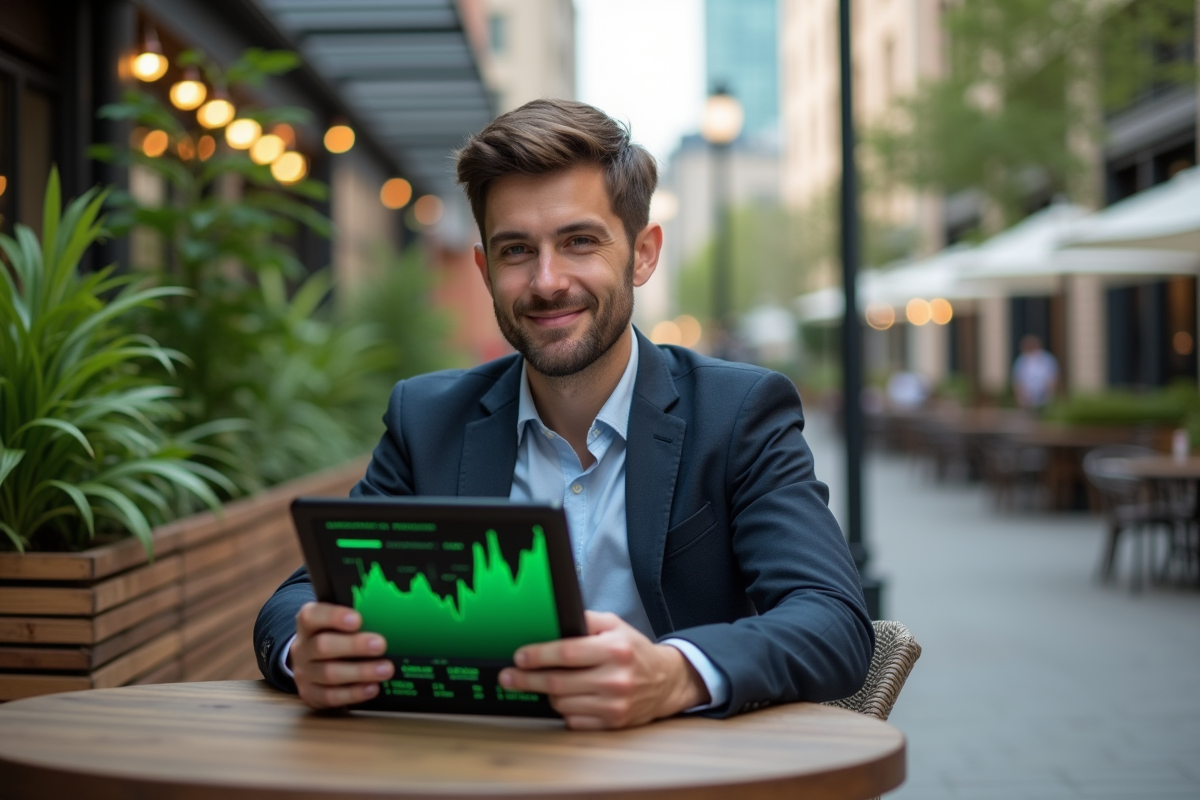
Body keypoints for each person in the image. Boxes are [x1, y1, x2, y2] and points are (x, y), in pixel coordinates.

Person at [254, 99, 873, 729]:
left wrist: (674, 674)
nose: (547, 281)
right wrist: (305, 652)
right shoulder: (427, 418)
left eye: (579, 241)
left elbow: (832, 620)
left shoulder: (738, 413)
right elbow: (296, 602)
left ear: (643, 254)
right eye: (516, 250)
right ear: (484, 269)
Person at [1012, 335, 1058, 410]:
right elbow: (1017, 380)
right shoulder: (1021, 360)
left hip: (1044, 397)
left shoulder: (1047, 359)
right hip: (1027, 398)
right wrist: (1020, 397)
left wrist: (1050, 395)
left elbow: (1052, 378)